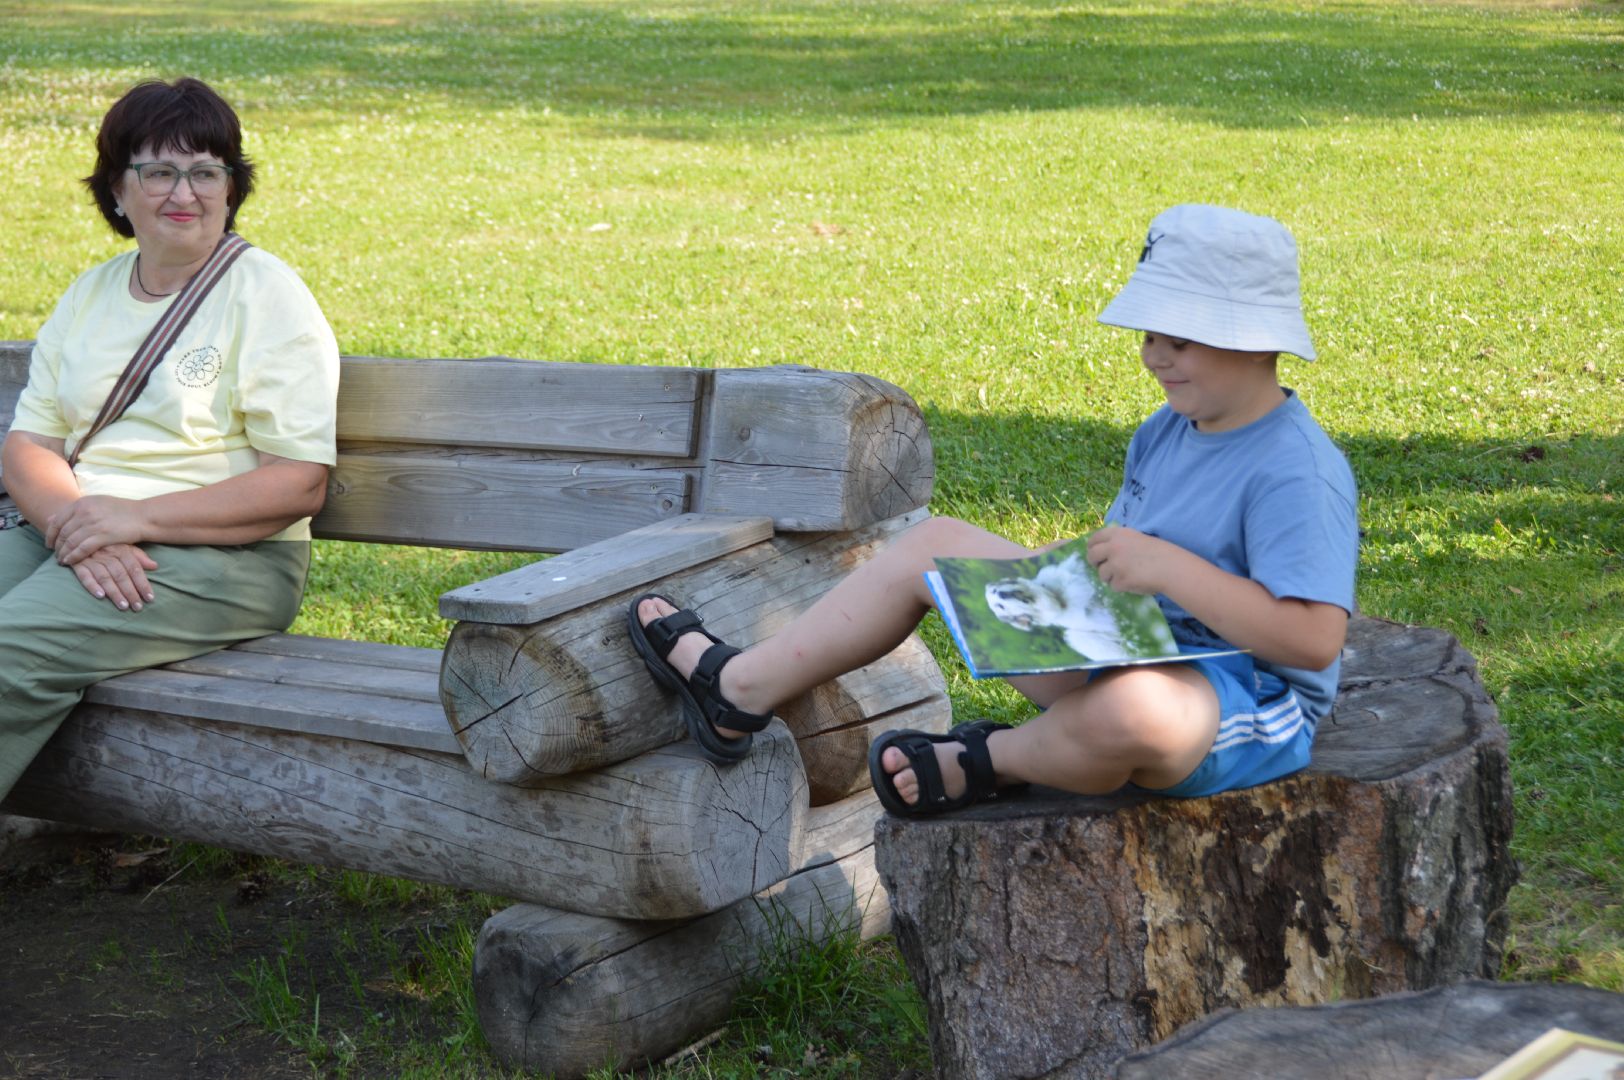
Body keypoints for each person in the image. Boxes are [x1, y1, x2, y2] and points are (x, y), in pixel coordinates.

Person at [627, 204, 1358, 814]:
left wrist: (1168, 569)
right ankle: (737, 689)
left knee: (1134, 713)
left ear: (1254, 338)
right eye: (1147, 335)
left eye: (1178, 339)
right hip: (1131, 643)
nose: (1152, 356)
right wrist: (1072, 586)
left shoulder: (1296, 470)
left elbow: (1313, 640)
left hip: (1241, 703)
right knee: (933, 544)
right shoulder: (1167, 430)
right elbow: (1132, 563)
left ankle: (992, 758)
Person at [0, 78, 339, 800]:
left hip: (228, 556)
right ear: (117, 191)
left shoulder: (267, 295)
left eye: (206, 170)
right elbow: (31, 445)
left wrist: (136, 518)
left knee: (7, 651)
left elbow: (299, 481)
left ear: (231, 187)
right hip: (75, 528)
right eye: (158, 170)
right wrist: (80, 527)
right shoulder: (90, 293)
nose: (184, 191)